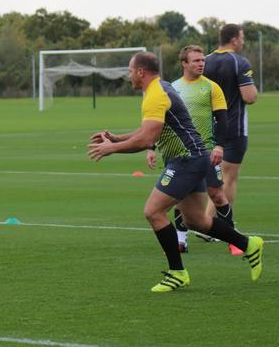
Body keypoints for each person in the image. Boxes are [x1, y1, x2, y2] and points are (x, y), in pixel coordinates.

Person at [87, 51, 263, 292]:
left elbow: (147, 139)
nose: (129, 75)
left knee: (153, 211)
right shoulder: (159, 89)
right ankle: (249, 243)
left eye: (130, 71)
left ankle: (177, 272)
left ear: (140, 72)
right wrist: (117, 138)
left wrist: (112, 148)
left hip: (186, 160)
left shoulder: (156, 94)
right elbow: (147, 130)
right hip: (194, 158)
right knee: (196, 220)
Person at [146, 45, 242, 255]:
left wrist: (219, 145)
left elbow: (222, 119)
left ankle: (233, 239)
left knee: (217, 194)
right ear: (184, 64)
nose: (201, 64)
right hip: (180, 154)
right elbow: (160, 120)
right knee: (181, 196)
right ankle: (181, 242)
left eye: (202, 60)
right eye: (196, 61)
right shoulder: (172, 87)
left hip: (206, 152)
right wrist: (151, 147)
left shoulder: (211, 87)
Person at [204, 24, 258, 212]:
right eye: (242, 37)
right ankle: (212, 223)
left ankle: (206, 223)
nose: (243, 41)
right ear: (234, 40)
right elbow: (249, 97)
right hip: (233, 128)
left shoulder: (205, 61)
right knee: (229, 177)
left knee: (211, 178)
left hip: (207, 128)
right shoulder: (239, 62)